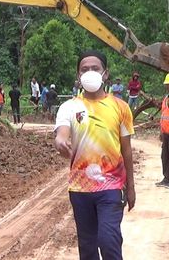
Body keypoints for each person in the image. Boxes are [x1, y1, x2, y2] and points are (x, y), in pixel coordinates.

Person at [54, 50, 135, 260]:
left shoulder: (121, 107)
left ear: (105, 73)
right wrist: (61, 141)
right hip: (79, 188)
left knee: (109, 241)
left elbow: (126, 150)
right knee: (88, 247)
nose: (90, 72)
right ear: (78, 76)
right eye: (84, 69)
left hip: (112, 186)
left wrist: (132, 187)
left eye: (95, 68)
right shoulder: (69, 107)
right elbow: (62, 133)